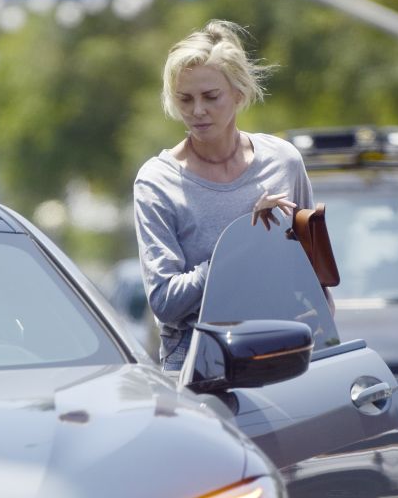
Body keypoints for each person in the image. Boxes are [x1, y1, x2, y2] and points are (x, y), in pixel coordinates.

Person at [134, 19, 315, 372]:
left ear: (239, 93)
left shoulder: (283, 161)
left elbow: (311, 269)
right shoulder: (157, 182)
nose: (197, 111)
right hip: (197, 355)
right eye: (185, 99)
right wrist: (243, 235)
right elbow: (166, 302)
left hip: (284, 343)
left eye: (211, 97)